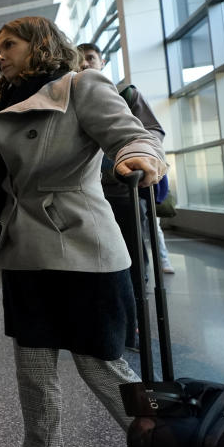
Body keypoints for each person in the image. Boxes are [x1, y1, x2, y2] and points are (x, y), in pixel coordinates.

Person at [0, 17, 166, 447]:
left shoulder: (81, 85)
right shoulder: (3, 111)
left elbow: (130, 133)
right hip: (24, 252)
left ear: (42, 45)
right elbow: (1, 183)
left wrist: (139, 154)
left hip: (82, 249)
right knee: (33, 373)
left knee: (102, 366)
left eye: (9, 44)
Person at [78, 43, 174, 275]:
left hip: (123, 190)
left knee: (132, 249)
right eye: (79, 59)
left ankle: (138, 300)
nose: (84, 63)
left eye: (90, 58)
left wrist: (139, 155)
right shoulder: (70, 99)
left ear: (102, 62)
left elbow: (152, 130)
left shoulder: (126, 94)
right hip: (87, 193)